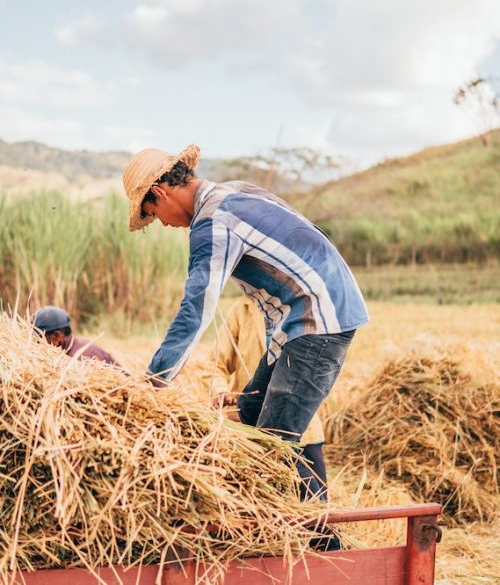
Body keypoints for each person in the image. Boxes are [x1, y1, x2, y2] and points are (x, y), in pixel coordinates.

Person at [122, 144, 368, 501]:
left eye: (153, 212)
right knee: (250, 411)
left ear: (160, 192)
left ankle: (322, 545)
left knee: (273, 448)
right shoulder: (234, 191)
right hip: (301, 320)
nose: (162, 222)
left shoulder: (212, 224)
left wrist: (153, 384)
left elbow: (196, 308)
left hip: (317, 321)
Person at [205, 294, 329, 501]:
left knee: (319, 503)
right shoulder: (241, 310)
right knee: (258, 501)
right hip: (250, 426)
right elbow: (215, 363)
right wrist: (220, 391)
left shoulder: (300, 308)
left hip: (300, 423)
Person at [32, 306, 118, 365]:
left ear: (57, 336)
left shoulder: (81, 358)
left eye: (39, 339)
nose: (37, 344)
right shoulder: (71, 350)